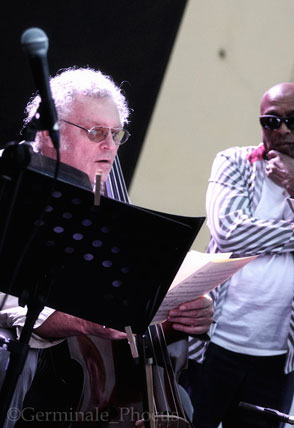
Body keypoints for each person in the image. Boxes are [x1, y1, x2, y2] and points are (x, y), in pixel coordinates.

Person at [0, 67, 213, 426]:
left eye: (116, 135)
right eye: (97, 132)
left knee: (185, 409)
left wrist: (188, 305)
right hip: (24, 369)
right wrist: (80, 319)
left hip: (78, 391)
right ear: (49, 132)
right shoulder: (10, 182)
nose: (110, 147)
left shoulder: (107, 208)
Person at [181, 82, 294, 427]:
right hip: (213, 342)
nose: (284, 129)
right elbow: (229, 231)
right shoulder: (234, 163)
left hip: (278, 356)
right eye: (272, 121)